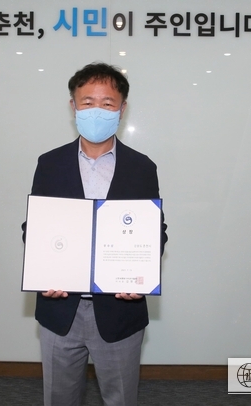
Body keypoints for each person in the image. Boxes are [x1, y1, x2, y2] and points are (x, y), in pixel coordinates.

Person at [22, 62, 168, 406]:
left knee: (121, 399)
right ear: (73, 106)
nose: (96, 111)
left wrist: (140, 275)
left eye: (107, 103)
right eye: (87, 102)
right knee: (59, 398)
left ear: (122, 108)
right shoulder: (50, 163)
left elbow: (154, 230)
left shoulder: (142, 167)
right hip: (60, 310)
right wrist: (44, 270)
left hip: (119, 310)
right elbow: (35, 226)